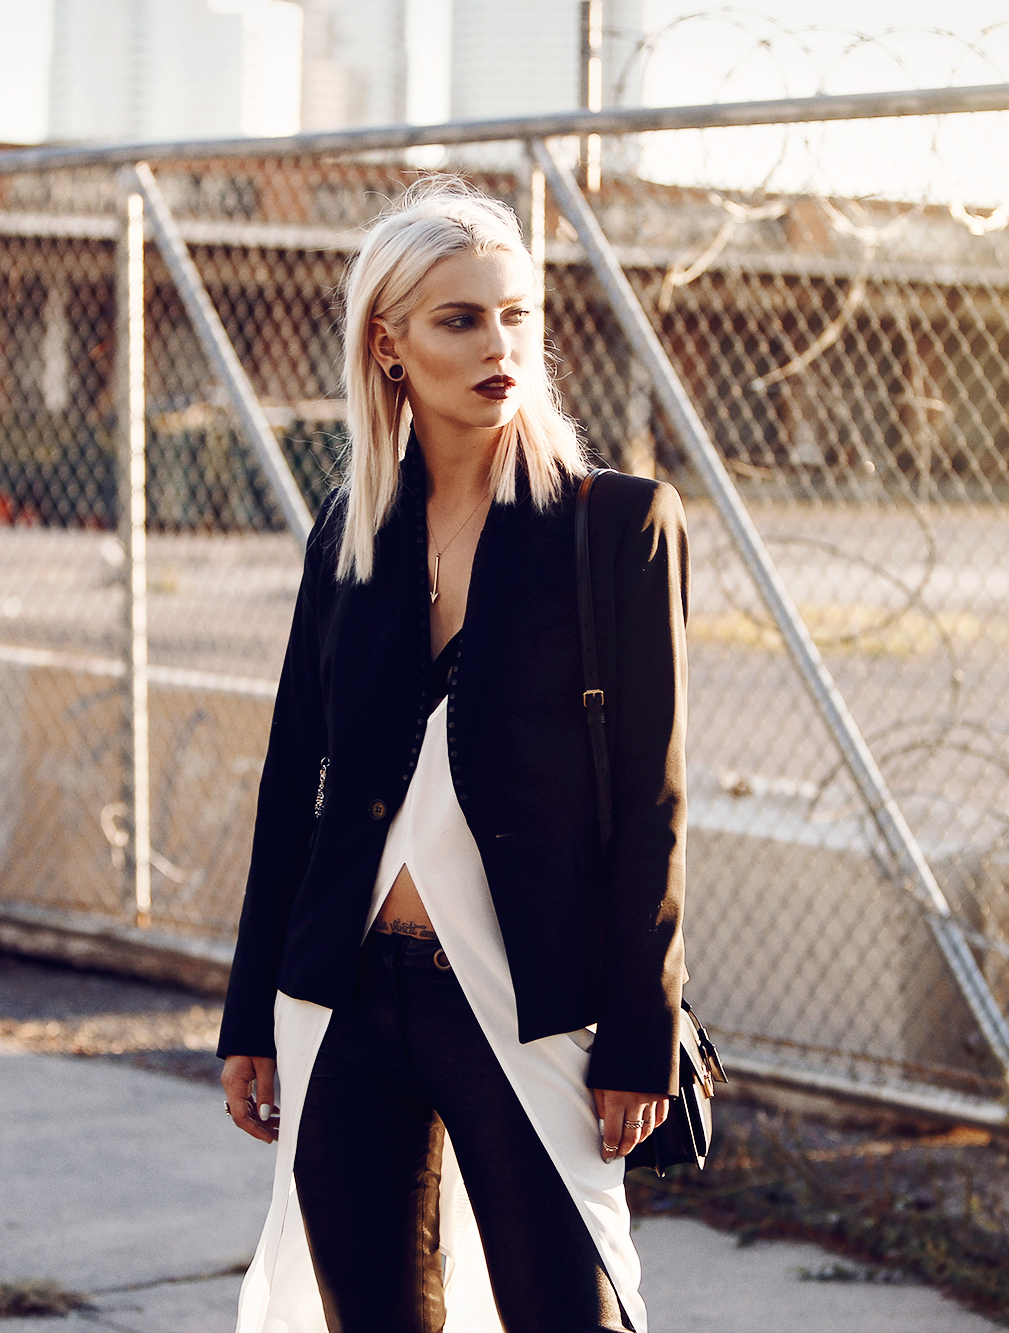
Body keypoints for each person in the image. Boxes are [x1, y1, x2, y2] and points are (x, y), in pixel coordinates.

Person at [216, 175, 689, 1333]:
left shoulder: (615, 527)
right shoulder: (349, 531)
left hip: (527, 995)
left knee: (571, 1314)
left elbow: (652, 805)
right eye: (460, 319)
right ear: (388, 344)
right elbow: (292, 783)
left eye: (515, 314)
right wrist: (248, 1014)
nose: (499, 345)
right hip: (342, 1002)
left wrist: (642, 1033)